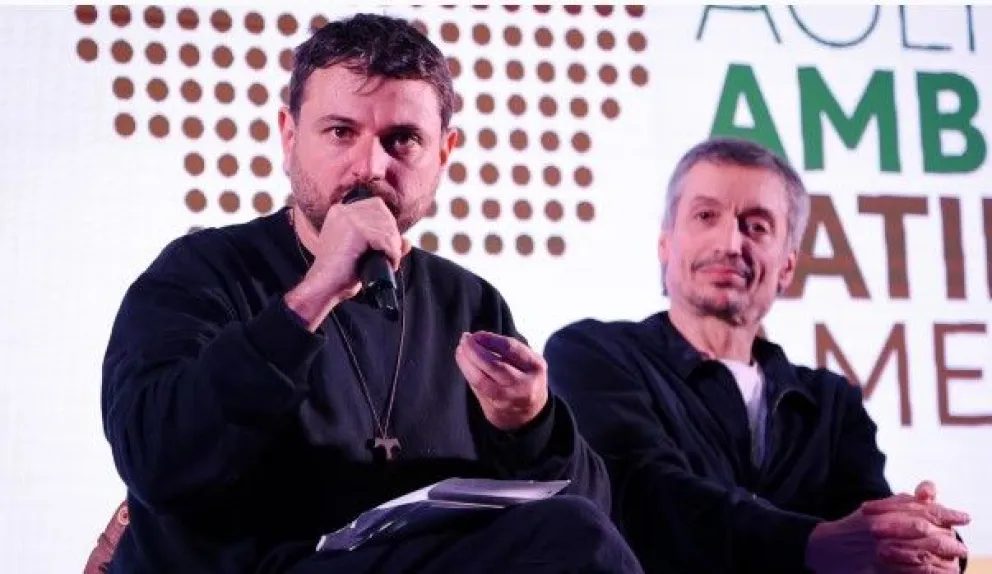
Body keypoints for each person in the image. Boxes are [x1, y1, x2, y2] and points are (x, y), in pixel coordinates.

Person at [100, 13, 642, 574]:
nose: (370, 166)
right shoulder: (201, 272)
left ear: (444, 154)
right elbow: (154, 459)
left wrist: (530, 422)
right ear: (289, 136)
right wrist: (312, 295)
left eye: (402, 139)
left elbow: (591, 525)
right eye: (341, 132)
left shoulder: (468, 302)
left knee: (576, 534)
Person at [544, 137, 972, 573]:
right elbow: (642, 494)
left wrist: (927, 543)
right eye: (706, 216)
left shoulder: (831, 403)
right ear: (665, 244)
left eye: (757, 226)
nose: (731, 243)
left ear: (787, 265)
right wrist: (811, 542)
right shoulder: (592, 354)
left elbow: (870, 521)